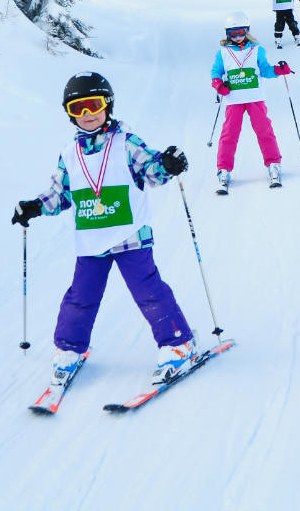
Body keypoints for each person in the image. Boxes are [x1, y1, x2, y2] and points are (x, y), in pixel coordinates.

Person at [12, 72, 198, 388]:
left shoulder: (126, 143)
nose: (87, 114)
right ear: (69, 114)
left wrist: (167, 165)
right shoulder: (69, 154)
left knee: (148, 291)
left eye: (94, 105)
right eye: (78, 108)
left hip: (130, 235)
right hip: (91, 240)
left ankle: (178, 343)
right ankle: (70, 348)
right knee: (81, 296)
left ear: (107, 105)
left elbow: (151, 170)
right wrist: (35, 206)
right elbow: (61, 194)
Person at [211, 13, 292, 192]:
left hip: (254, 97)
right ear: (227, 34)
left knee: (264, 131)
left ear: (247, 31)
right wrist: (218, 84)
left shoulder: (257, 50)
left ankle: (273, 164)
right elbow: (216, 72)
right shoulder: (223, 52)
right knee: (229, 134)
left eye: (241, 32)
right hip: (234, 99)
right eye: (233, 33)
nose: (237, 36)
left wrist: (279, 70)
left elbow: (265, 70)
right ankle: (224, 170)